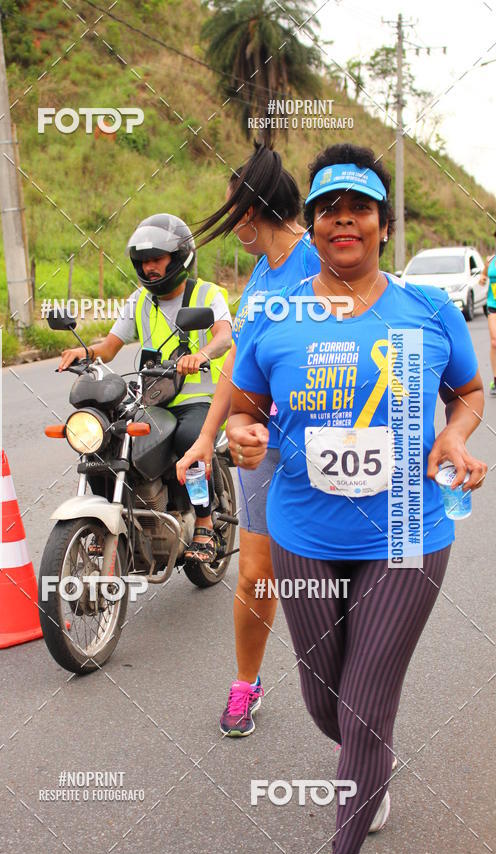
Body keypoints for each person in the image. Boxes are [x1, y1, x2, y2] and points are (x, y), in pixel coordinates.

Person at [227, 143, 487, 854]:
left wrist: (455, 433)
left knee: (366, 707)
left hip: (407, 528)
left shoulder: (429, 310)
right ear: (311, 226)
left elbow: (468, 392)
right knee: (324, 700)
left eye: (360, 209)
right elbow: (246, 407)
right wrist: (242, 434)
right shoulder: (276, 313)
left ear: (382, 225)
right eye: (329, 210)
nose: (345, 221)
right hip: (302, 533)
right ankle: (368, 763)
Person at [176, 142, 320, 737]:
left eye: (234, 208)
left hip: (326, 450)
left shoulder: (320, 263)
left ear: (253, 211)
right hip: (264, 447)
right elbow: (239, 365)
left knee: (323, 582)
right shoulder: (261, 275)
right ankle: (246, 684)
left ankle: (348, 703)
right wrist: (209, 437)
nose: (230, 221)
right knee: (257, 574)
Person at [59, 213, 232, 559]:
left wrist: (200, 355)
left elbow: (224, 338)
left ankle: (204, 523)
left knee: (190, 441)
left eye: (157, 259)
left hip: (198, 401)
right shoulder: (139, 300)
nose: (149, 268)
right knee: (105, 437)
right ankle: (107, 517)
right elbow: (110, 347)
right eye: (143, 261)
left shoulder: (207, 294)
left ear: (179, 257)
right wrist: (84, 351)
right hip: (153, 401)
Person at [479, 232, 496, 395]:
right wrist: (482, 279)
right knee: (494, 341)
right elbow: (483, 276)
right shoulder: (490, 260)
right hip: (493, 305)